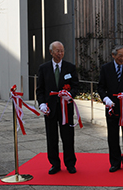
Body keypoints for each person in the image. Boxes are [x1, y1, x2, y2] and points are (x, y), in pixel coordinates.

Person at [36, 41, 79, 175]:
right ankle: (54, 163)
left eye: (62, 51)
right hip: (50, 108)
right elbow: (40, 89)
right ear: (51, 52)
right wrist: (42, 103)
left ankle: (70, 163)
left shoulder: (70, 67)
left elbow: (76, 86)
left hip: (66, 107)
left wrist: (70, 95)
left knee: (68, 136)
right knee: (51, 137)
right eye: (57, 51)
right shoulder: (44, 68)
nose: (60, 54)